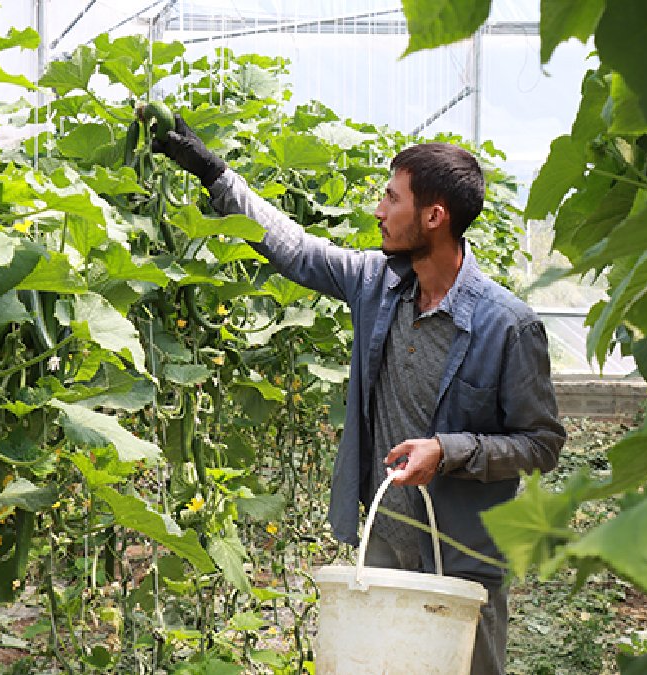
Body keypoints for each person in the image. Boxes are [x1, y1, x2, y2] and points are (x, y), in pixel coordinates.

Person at [153, 114, 566, 675]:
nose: (378, 210)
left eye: (392, 198)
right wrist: (214, 175)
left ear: (434, 216)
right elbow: (296, 250)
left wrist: (448, 451)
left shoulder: (508, 326)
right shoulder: (377, 283)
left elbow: (541, 444)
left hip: (463, 560)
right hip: (385, 543)